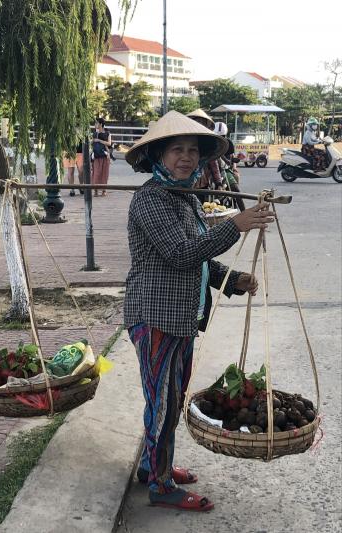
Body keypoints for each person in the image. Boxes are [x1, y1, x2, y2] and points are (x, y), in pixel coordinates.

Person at [124, 111, 274, 512]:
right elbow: (179, 253)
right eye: (177, 150)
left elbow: (200, 259)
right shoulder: (152, 199)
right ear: (158, 155)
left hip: (182, 318)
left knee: (169, 398)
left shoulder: (183, 197)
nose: (186, 158)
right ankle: (159, 484)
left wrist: (232, 279)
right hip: (155, 318)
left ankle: (151, 465)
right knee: (164, 403)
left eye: (193, 151)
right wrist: (236, 225)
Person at [186, 109, 224, 201]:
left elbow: (213, 163)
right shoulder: (185, 141)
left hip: (203, 184)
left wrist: (218, 183)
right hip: (186, 185)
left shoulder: (207, 144)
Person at [213, 121, 246, 211]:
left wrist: (234, 166)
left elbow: (232, 158)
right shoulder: (210, 143)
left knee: (236, 189)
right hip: (211, 171)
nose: (221, 139)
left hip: (225, 170)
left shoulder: (229, 144)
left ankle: (244, 211)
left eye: (222, 136)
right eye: (218, 136)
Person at [92, 117, 111, 197]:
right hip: (96, 155)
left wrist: (99, 140)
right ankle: (95, 190)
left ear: (101, 124)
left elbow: (109, 143)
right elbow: (92, 143)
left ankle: (104, 190)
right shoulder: (94, 133)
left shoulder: (107, 133)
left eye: (96, 123)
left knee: (104, 173)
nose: (95, 124)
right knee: (96, 173)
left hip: (105, 155)